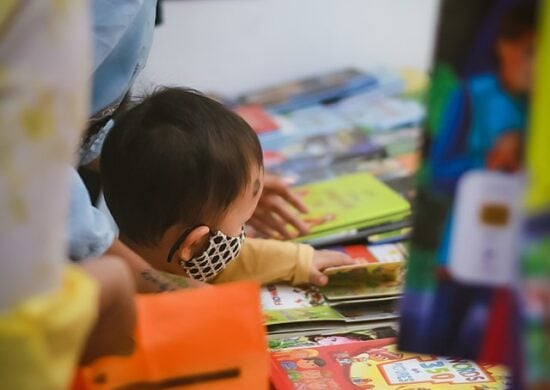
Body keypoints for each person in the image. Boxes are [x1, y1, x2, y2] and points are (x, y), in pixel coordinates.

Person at [101, 88, 355, 286]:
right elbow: (235, 264)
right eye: (243, 223)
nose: (245, 236)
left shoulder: (141, 261)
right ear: (194, 245)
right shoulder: (144, 311)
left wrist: (301, 261)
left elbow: (240, 261)